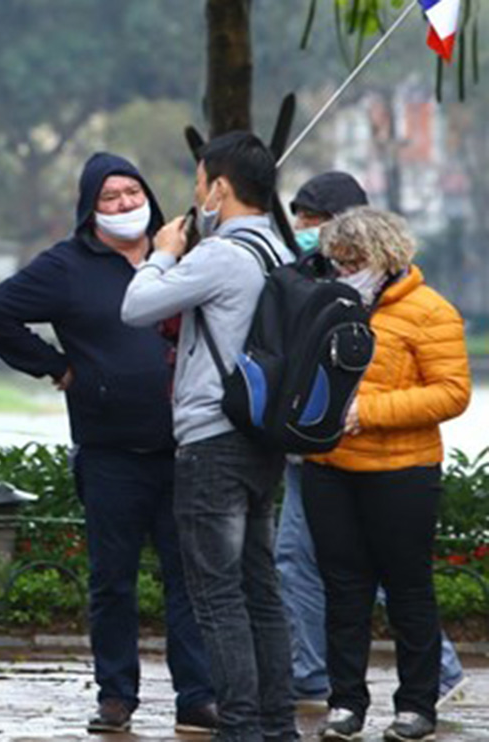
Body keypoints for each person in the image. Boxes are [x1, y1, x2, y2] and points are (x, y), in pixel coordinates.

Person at [0, 152, 218, 735]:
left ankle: (198, 695)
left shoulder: (187, 252)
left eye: (133, 192)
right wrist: (56, 367)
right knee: (113, 579)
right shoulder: (66, 265)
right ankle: (116, 694)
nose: (125, 205)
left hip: (186, 446)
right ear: (89, 208)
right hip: (109, 451)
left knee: (190, 577)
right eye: (110, 197)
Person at [120, 132, 298, 742]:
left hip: (212, 440)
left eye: (199, 185)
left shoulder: (221, 254)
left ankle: (241, 726)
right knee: (260, 589)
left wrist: (163, 252)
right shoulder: (282, 250)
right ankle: (278, 724)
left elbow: (137, 306)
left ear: (219, 188)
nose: (196, 198)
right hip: (263, 438)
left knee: (217, 595)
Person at [277, 173, 467, 709]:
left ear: (383, 258)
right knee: (343, 591)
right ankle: (345, 702)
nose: (341, 271)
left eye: (351, 263)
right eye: (336, 262)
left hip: (401, 470)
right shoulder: (326, 303)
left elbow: (452, 393)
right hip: (328, 465)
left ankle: (418, 702)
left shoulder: (429, 311)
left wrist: (368, 412)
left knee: (407, 588)